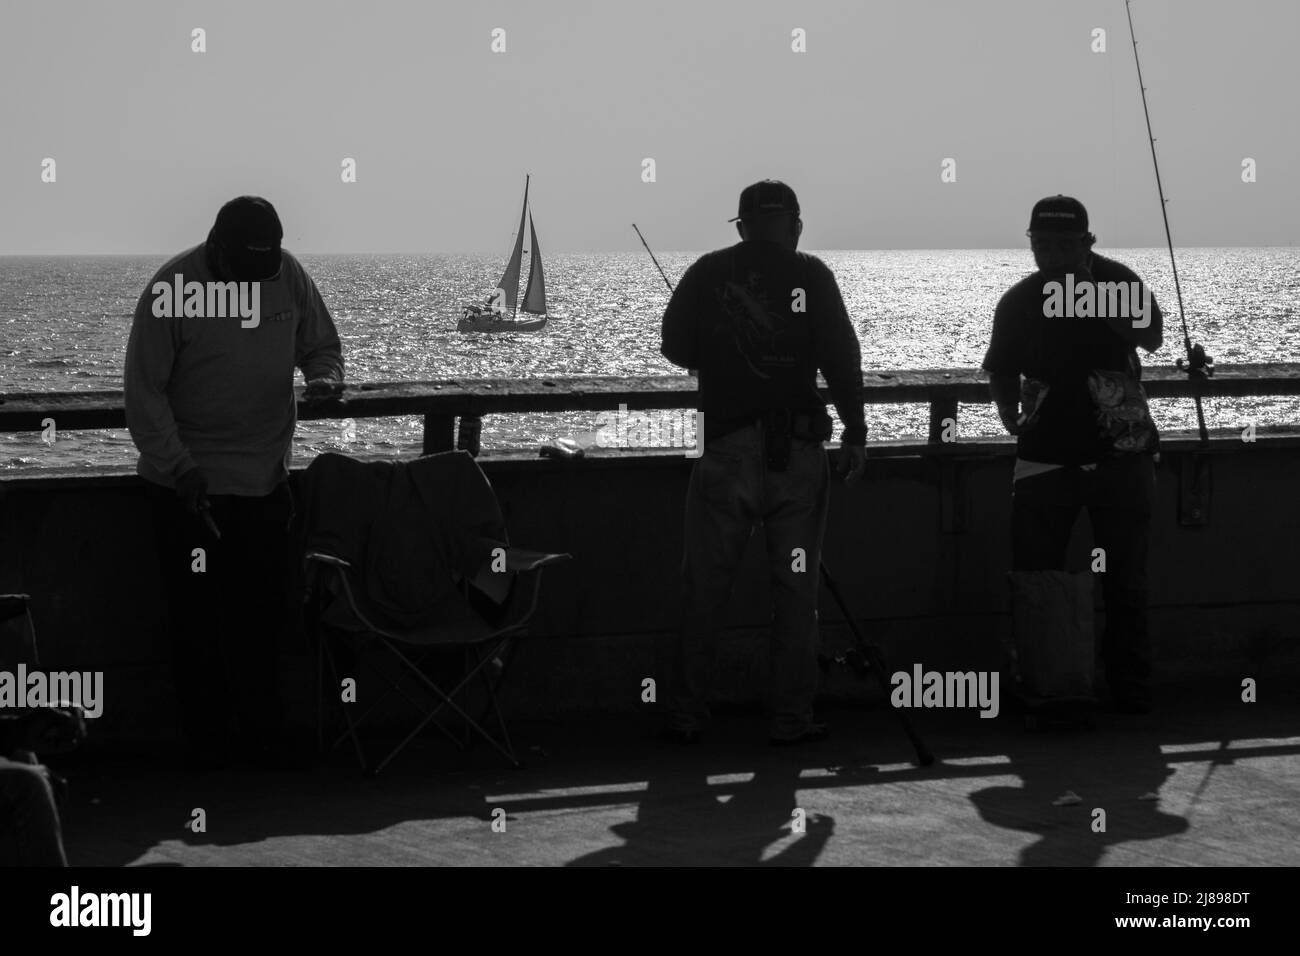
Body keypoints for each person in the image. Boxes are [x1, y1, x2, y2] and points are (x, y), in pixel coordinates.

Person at [125, 196, 345, 769]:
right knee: (196, 623)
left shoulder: (288, 273)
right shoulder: (171, 289)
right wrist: (181, 467)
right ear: (215, 248)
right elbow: (143, 393)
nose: (253, 283)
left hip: (264, 485)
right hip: (186, 492)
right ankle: (210, 749)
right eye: (243, 272)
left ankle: (263, 741)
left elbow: (321, 345)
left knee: (264, 616)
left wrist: (323, 378)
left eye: (262, 271)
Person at [660, 179, 868, 745]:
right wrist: (855, 429)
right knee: (797, 593)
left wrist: (717, 350)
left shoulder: (707, 272)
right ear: (796, 226)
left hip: (726, 450)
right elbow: (841, 356)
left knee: (705, 587)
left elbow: (674, 347)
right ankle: (791, 718)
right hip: (796, 455)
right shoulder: (813, 276)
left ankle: (685, 711)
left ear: (743, 226)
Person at [982, 195, 1163, 713]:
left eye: (1066, 244)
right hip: (1044, 456)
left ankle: (1131, 690)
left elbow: (1150, 336)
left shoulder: (1118, 281)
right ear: (1031, 244)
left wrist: (1096, 295)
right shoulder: (1019, 300)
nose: (1053, 254)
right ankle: (1044, 684)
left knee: (1126, 580)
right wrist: (1005, 412)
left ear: (1088, 243)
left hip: (1121, 455)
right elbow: (999, 366)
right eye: (1043, 244)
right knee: (1037, 577)